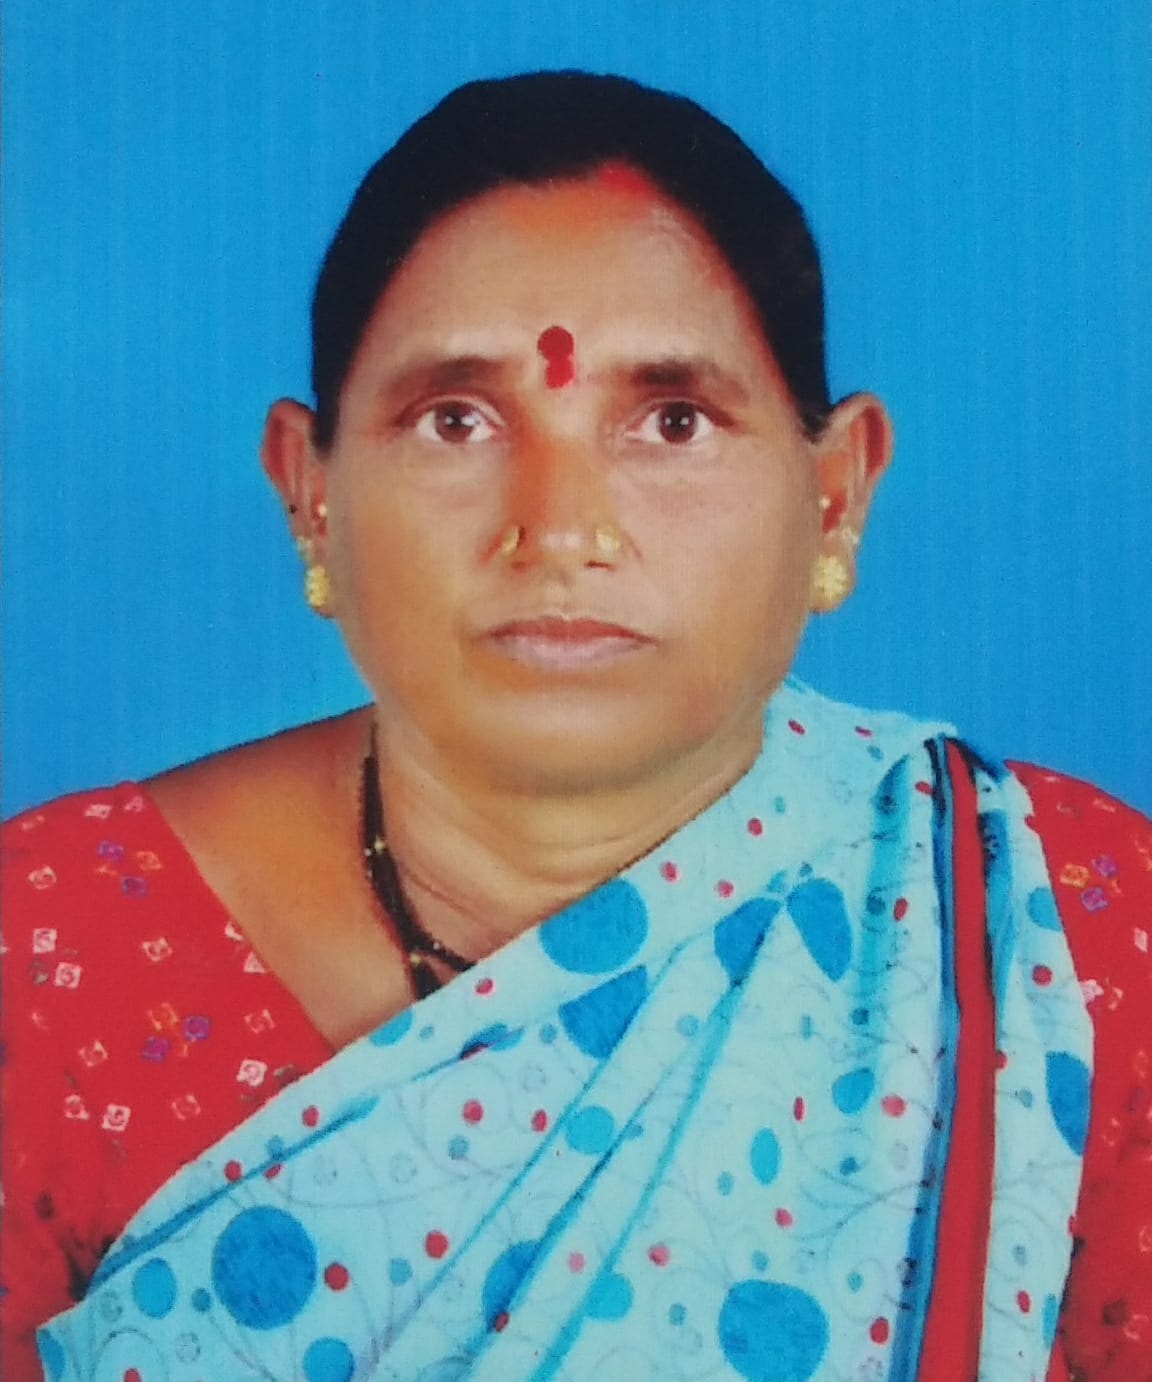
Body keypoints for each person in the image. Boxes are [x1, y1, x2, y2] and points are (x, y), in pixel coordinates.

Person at [2, 71, 1148, 1382]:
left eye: (671, 420)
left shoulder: (1061, 930)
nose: (559, 528)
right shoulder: (47, 956)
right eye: (457, 420)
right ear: (310, 491)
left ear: (836, 493)